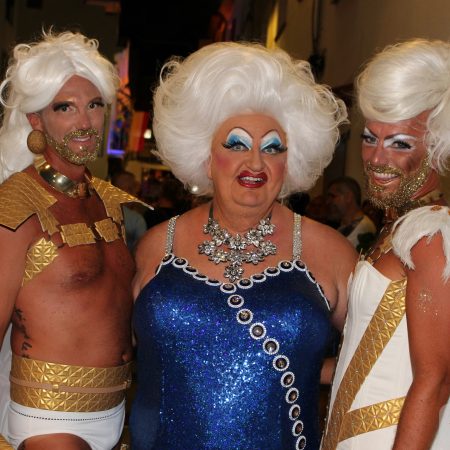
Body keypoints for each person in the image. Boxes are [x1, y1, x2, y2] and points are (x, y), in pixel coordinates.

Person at [130, 42, 357, 450]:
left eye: (273, 148)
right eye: (235, 144)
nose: (255, 162)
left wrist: (308, 369)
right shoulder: (155, 246)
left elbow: (381, 358)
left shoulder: (330, 252)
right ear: (205, 155)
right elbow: (115, 351)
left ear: (290, 162)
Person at [0, 30, 147, 449]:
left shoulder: (109, 203)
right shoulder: (15, 205)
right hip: (48, 420)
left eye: (94, 105)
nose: (84, 122)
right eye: (65, 107)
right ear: (36, 120)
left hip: (116, 414)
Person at [322, 38, 450, 449]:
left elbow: (436, 380)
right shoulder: (399, 228)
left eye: (400, 143)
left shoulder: (431, 235)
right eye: (369, 138)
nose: (376, 159)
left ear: (437, 146)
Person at [326, 176, 377, 252]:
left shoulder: (364, 227)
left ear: (348, 197)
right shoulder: (343, 226)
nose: (328, 202)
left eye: (333, 196)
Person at [111, 170, 148, 252]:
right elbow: (141, 251)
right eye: (134, 189)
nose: (136, 194)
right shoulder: (136, 220)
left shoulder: (96, 212)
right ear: (129, 191)